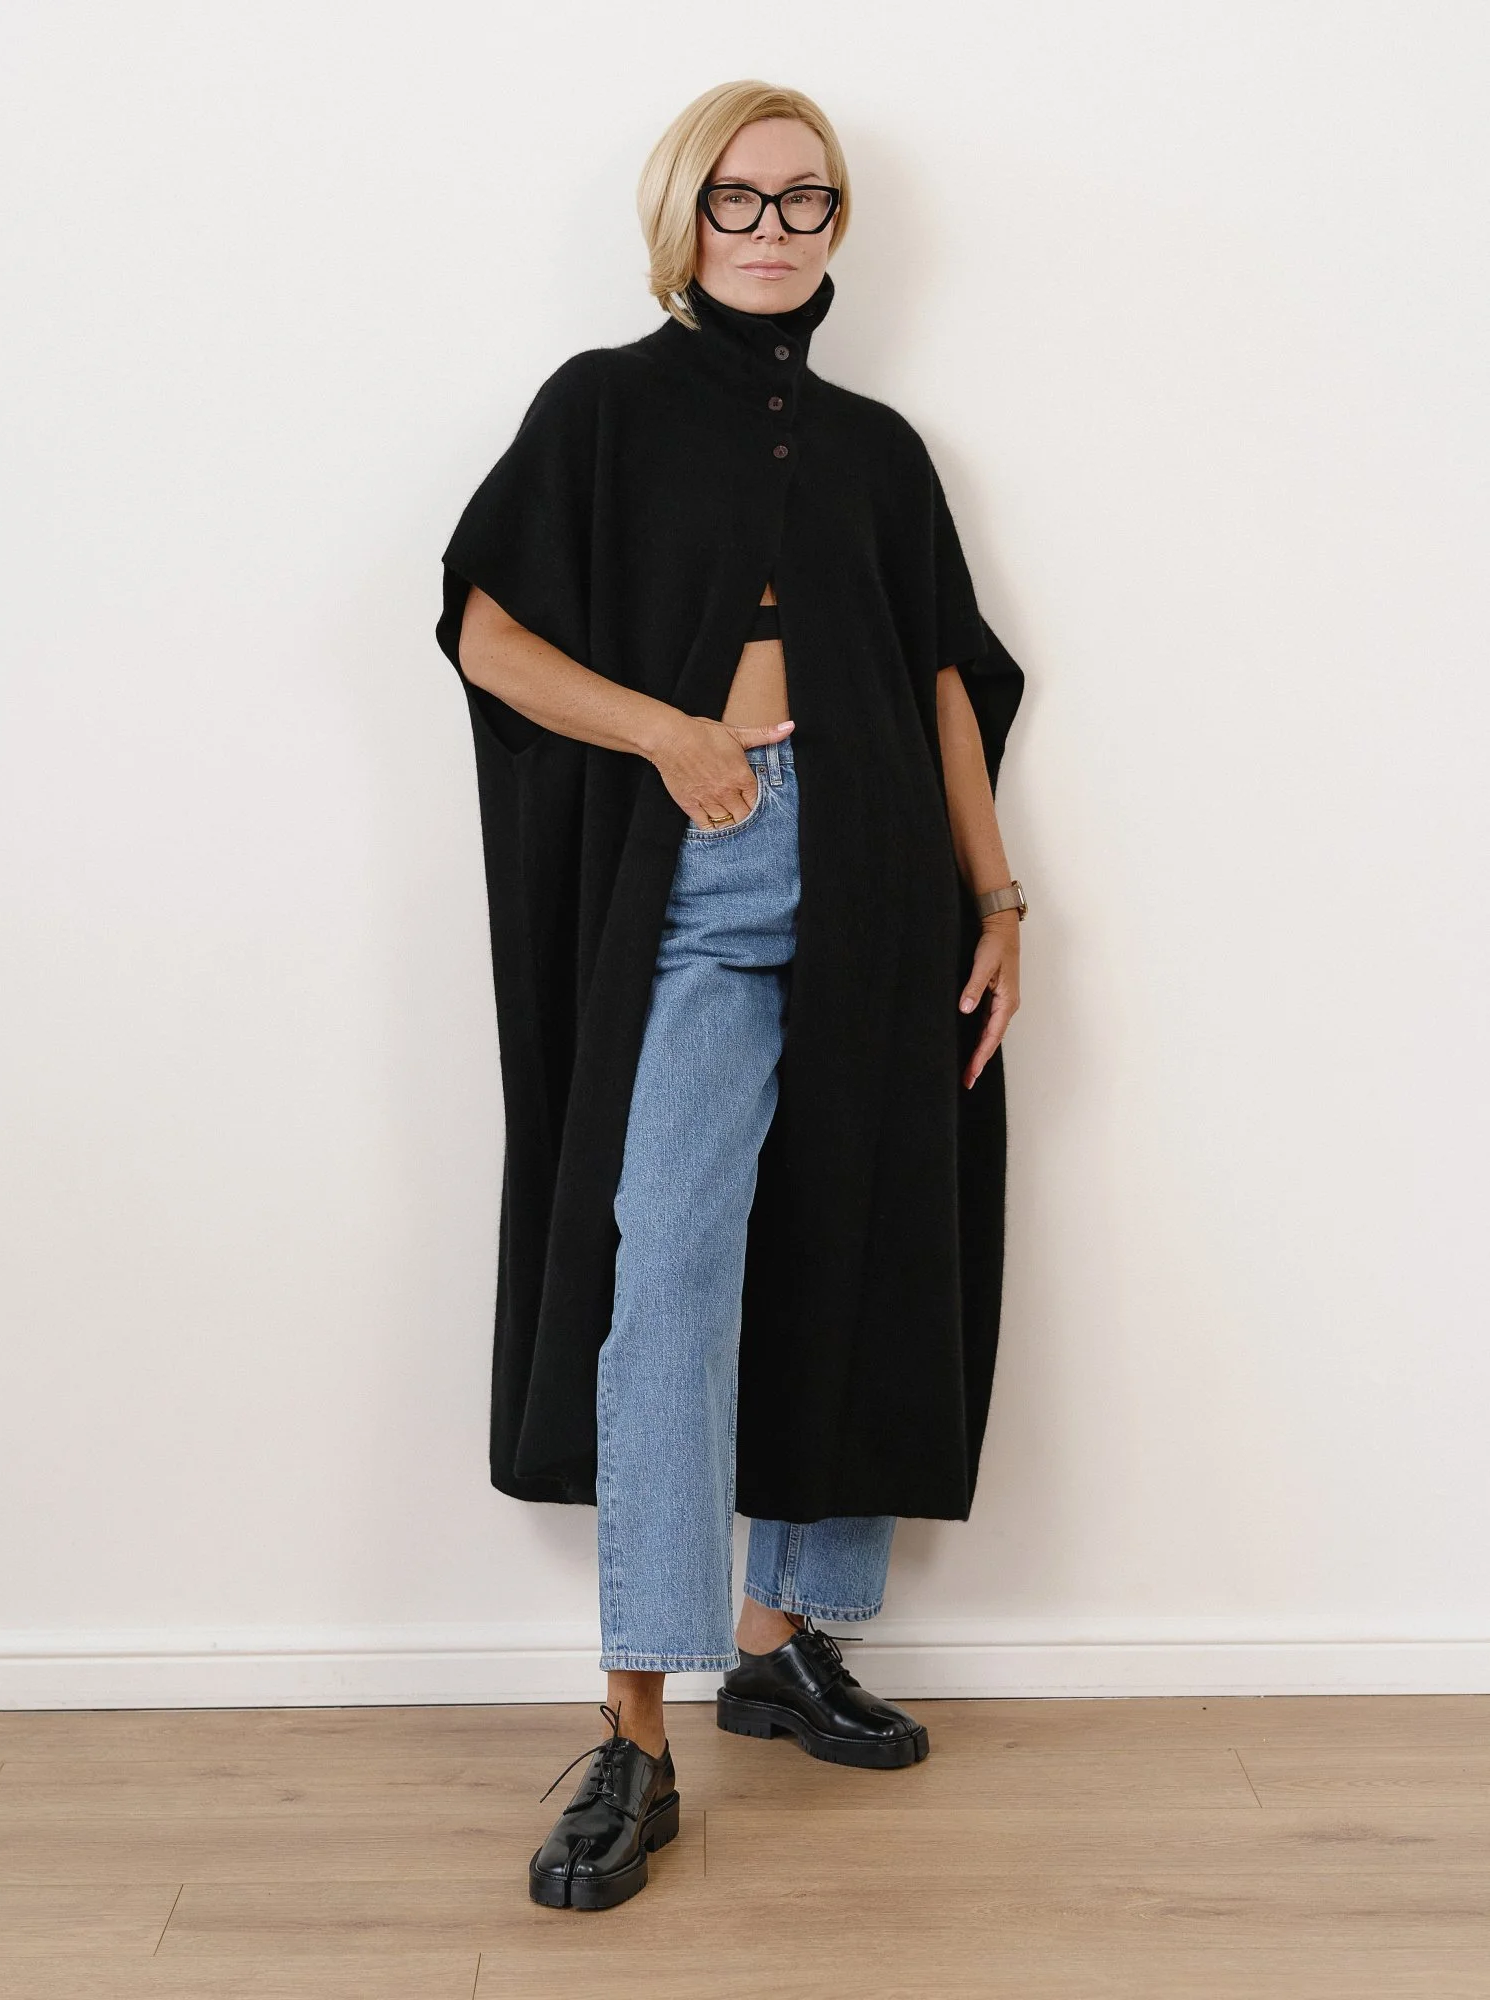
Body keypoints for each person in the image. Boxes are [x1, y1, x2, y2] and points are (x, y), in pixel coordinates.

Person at [434, 79, 1027, 1911]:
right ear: (683, 214)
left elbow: (944, 680)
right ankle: (635, 1733)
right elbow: (485, 627)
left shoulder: (883, 451)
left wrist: (1000, 897)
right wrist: (670, 733)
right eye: (740, 199)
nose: (774, 230)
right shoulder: (601, 407)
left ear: (840, 223)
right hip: (696, 889)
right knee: (668, 1277)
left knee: (855, 1246)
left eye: (806, 200)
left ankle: (780, 1640)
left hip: (879, 893)